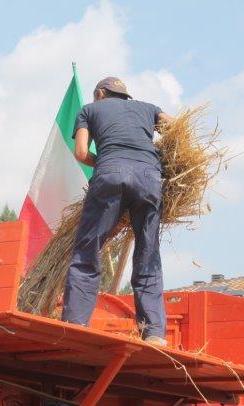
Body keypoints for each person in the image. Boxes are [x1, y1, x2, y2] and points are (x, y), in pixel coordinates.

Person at [61, 77, 173, 346]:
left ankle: (75, 323)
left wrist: (106, 161)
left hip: (110, 175)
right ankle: (154, 332)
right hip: (148, 179)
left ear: (100, 93)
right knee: (148, 253)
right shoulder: (148, 108)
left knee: (88, 250)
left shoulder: (89, 109)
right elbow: (178, 130)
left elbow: (80, 152)